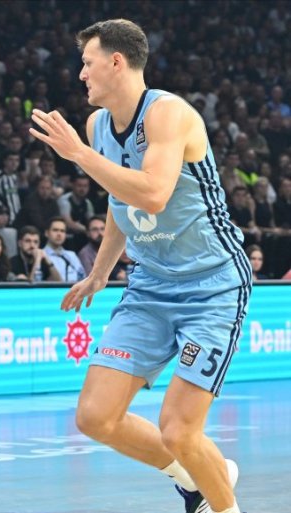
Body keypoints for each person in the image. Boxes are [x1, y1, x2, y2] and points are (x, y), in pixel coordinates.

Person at [30, 19, 251, 513]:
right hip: (150, 286)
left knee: (179, 429)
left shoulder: (168, 113)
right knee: (95, 416)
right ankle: (196, 476)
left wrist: (78, 154)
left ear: (116, 62)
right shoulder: (97, 126)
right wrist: (100, 272)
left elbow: (152, 194)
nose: (81, 74)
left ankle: (223, 502)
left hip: (211, 286)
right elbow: (120, 200)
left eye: (87, 63)